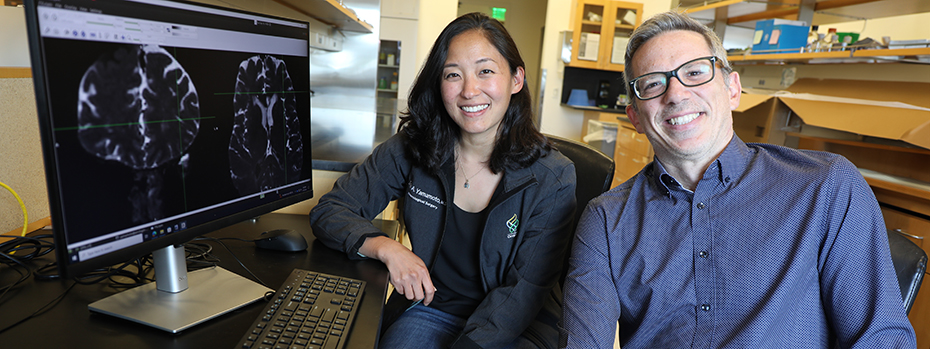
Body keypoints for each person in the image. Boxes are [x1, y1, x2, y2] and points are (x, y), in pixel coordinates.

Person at [559, 10, 916, 348]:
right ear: (635, 116)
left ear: (732, 89)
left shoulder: (825, 187)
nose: (676, 94)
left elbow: (881, 340)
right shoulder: (606, 220)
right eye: (653, 83)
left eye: (695, 73)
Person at [309, 12, 576, 349]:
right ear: (439, 83)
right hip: (432, 311)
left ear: (516, 79)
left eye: (485, 71)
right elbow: (331, 211)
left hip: (517, 326)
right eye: (453, 74)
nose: (469, 90)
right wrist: (388, 248)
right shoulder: (413, 148)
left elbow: (526, 289)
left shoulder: (553, 176)